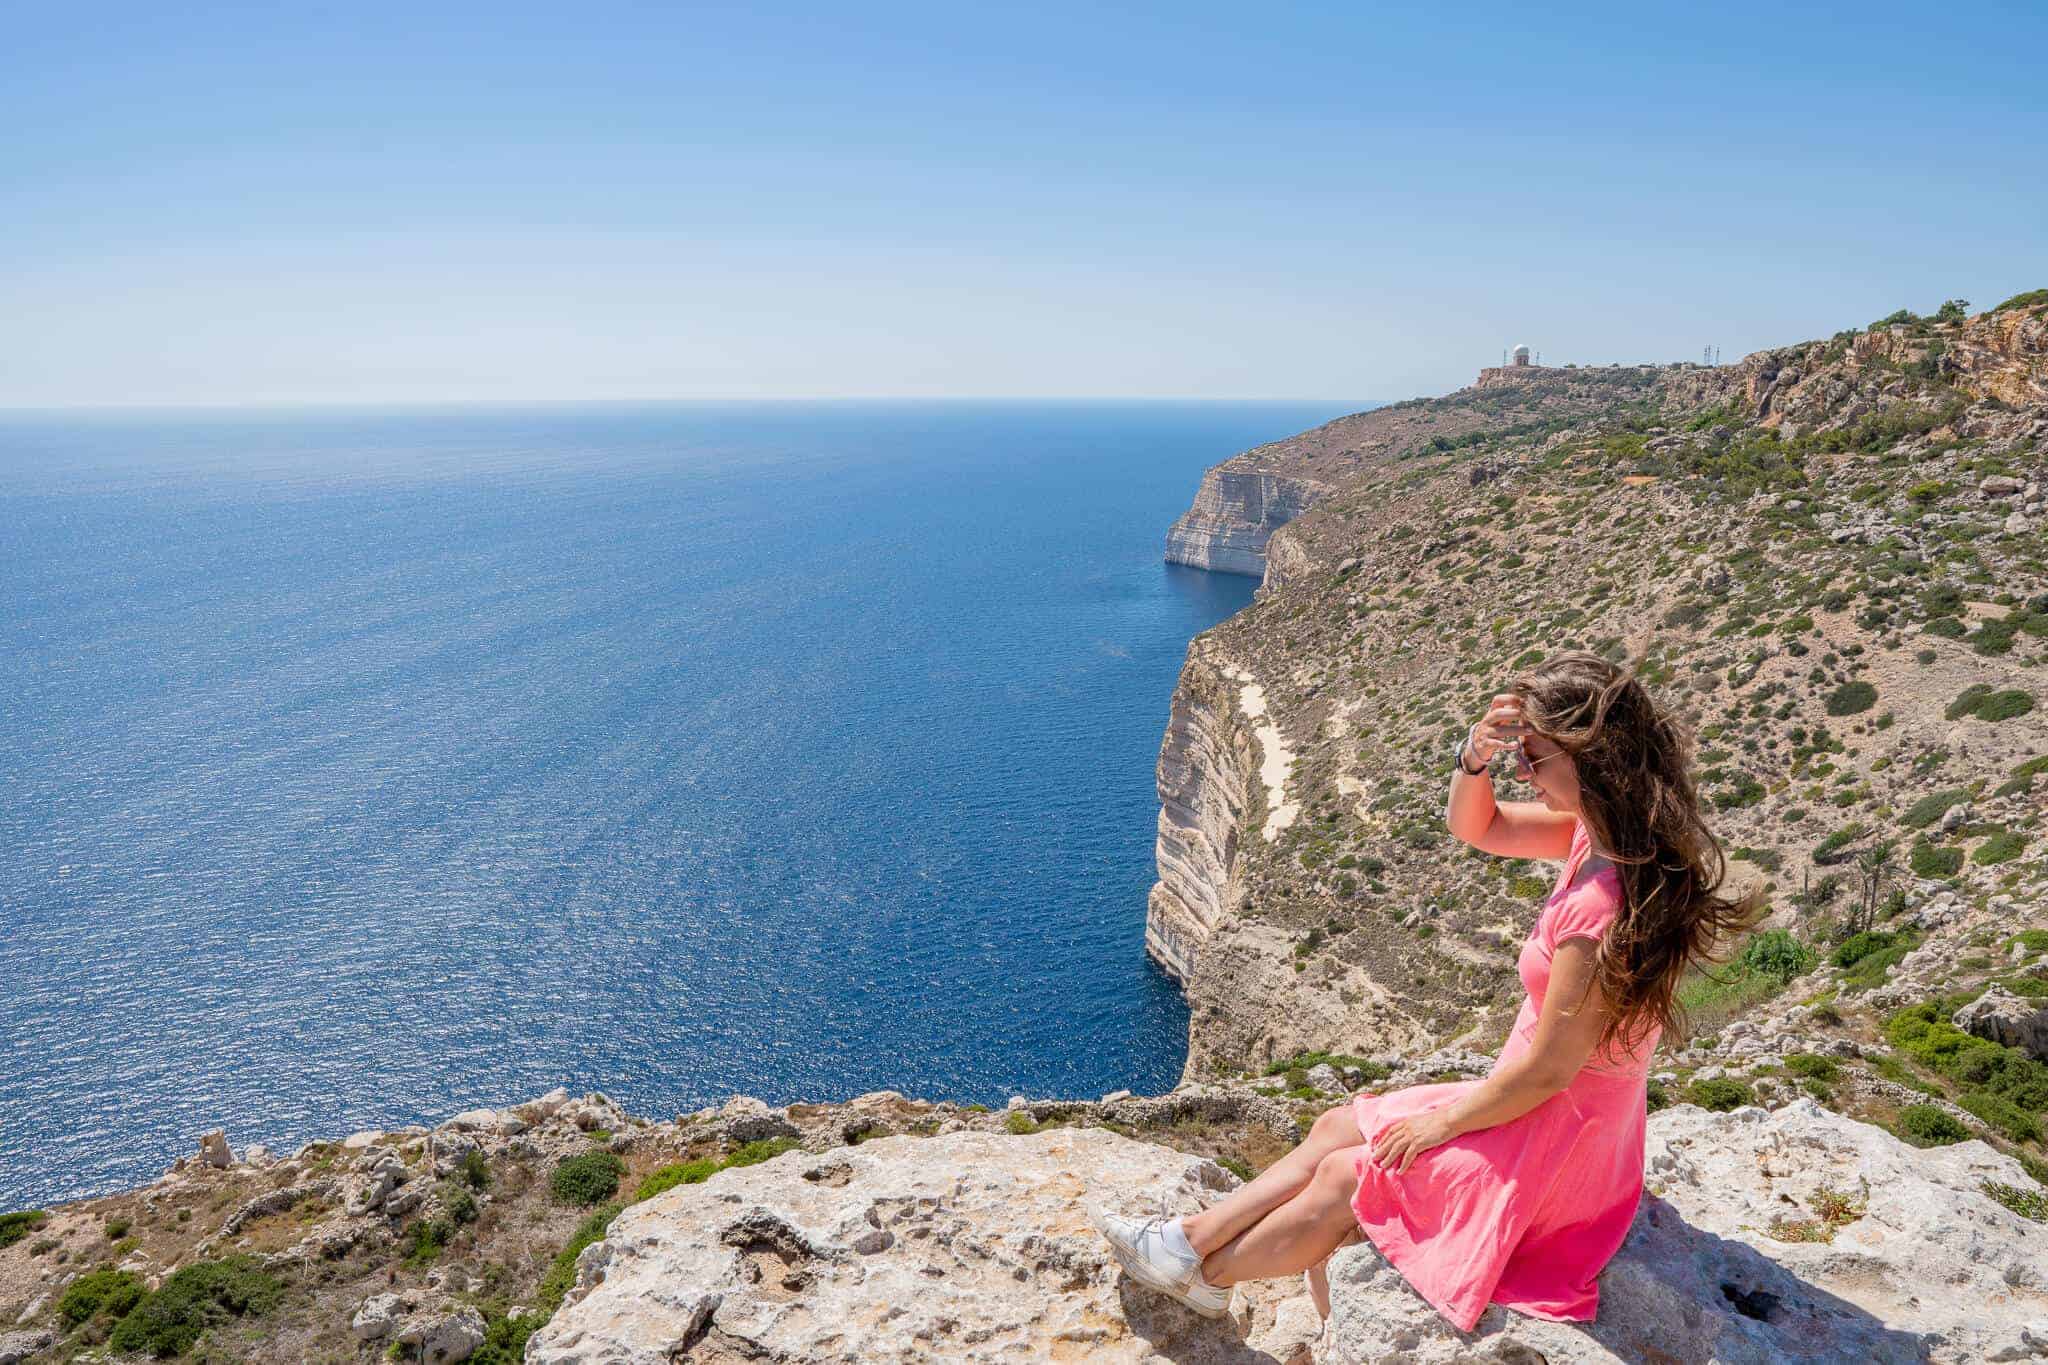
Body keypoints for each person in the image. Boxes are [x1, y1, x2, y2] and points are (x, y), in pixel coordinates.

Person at [1089, 651, 1759, 1329]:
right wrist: (1475, 757)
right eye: (1519, 756)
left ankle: (1205, 1273)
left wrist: (1443, 1123)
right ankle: (1190, 1240)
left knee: (1348, 1172)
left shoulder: (1599, 902)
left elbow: (1553, 1069)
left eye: (1534, 756)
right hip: (1552, 1113)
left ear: (1595, 755)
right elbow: (1481, 826)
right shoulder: (1609, 837)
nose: (1522, 771)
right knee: (1338, 1125)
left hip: (1555, 1144)